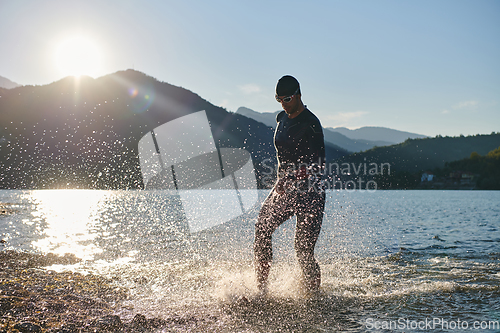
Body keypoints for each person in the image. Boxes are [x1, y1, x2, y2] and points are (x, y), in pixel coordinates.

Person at [254, 75, 326, 295]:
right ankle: (261, 291)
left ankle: (313, 296)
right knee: (262, 228)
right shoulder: (280, 119)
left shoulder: (311, 124)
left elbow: (318, 165)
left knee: (303, 249)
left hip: (310, 192)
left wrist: (292, 177)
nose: (283, 104)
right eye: (279, 100)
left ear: (298, 94)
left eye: (287, 99)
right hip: (284, 188)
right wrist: (283, 180)